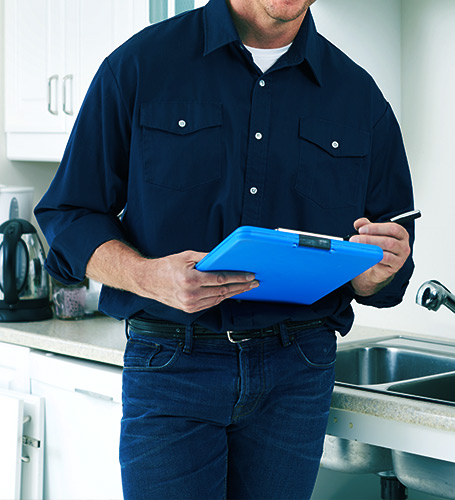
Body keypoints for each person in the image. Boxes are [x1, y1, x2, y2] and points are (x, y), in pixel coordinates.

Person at [34, 0, 414, 498]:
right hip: (173, 363)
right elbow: (69, 215)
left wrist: (376, 270)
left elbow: (384, 266)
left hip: (298, 373)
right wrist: (149, 277)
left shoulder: (359, 96)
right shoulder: (141, 65)